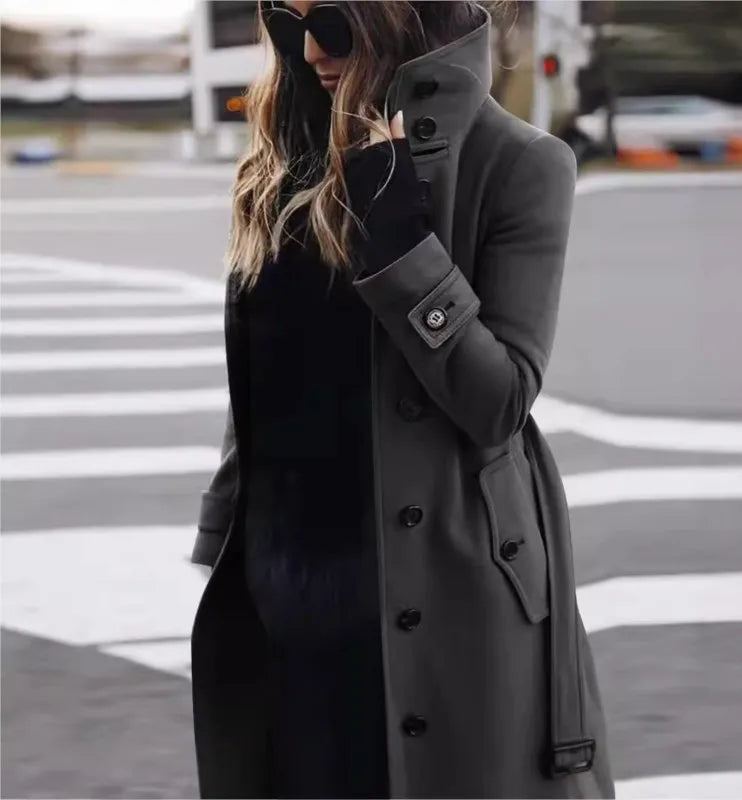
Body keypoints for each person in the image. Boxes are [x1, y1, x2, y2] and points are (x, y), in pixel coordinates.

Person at [190, 2, 616, 798]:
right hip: (286, 581)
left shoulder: (519, 163)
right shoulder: (284, 164)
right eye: (290, 26)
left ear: (404, 20)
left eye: (337, 25)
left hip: (433, 581)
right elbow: (272, 365)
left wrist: (403, 245)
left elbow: (500, 400)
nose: (312, 50)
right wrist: (228, 530)